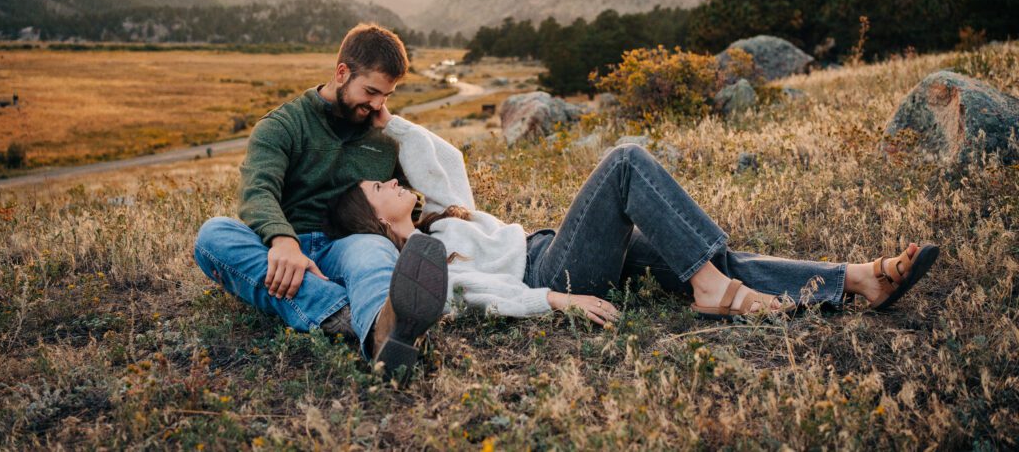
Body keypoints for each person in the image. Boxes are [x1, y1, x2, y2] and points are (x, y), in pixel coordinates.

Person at [327, 109, 939, 324]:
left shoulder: (436, 217)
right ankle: (712, 291)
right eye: (379, 185)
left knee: (691, 250)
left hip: (551, 251)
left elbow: (443, 157)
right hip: (550, 273)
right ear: (374, 219)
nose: (393, 180)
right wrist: (556, 303)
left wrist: (385, 117)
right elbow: (472, 296)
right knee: (624, 162)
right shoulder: (416, 257)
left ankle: (855, 280)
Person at [193, 24, 447, 381]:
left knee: (373, 249)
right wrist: (283, 241)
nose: (377, 104)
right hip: (285, 249)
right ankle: (359, 320)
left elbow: (417, 192)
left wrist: (400, 130)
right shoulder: (282, 125)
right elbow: (258, 189)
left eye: (386, 96)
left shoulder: (385, 140)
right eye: (371, 91)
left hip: (348, 244)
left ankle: (381, 326)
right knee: (213, 236)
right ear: (342, 72)